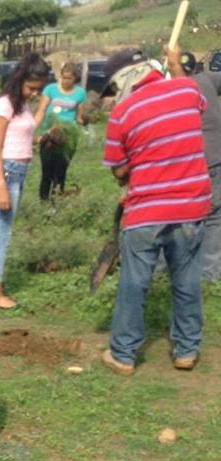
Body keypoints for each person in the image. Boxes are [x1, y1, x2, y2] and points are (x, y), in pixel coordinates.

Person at [100, 46, 211, 376]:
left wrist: (137, 163)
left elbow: (119, 172)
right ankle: (187, 351)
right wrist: (176, 64)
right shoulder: (187, 89)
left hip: (146, 211)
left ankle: (123, 354)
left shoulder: (122, 114)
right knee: (187, 279)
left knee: (135, 283)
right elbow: (193, 98)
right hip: (191, 205)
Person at [0, 54, 50, 309]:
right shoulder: (5, 105)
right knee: (2, 234)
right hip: (7, 173)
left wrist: (42, 139)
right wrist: (1, 187)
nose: (34, 93)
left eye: (39, 89)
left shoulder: (22, 106)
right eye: (31, 88)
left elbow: (19, 139)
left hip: (19, 172)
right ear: (20, 80)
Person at [169, 50, 221, 282]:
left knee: (176, 214)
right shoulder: (206, 79)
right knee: (214, 216)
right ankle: (209, 273)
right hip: (216, 157)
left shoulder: (172, 91)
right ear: (194, 68)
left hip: (192, 161)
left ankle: (168, 266)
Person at [33, 62, 87, 201]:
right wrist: (32, 129)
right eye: (63, 77)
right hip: (50, 134)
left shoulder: (80, 93)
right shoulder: (50, 89)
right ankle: (44, 201)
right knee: (47, 171)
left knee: (61, 171)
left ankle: (57, 201)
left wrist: (87, 119)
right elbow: (41, 111)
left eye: (69, 78)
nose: (65, 81)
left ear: (75, 79)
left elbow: (79, 117)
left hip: (68, 137)